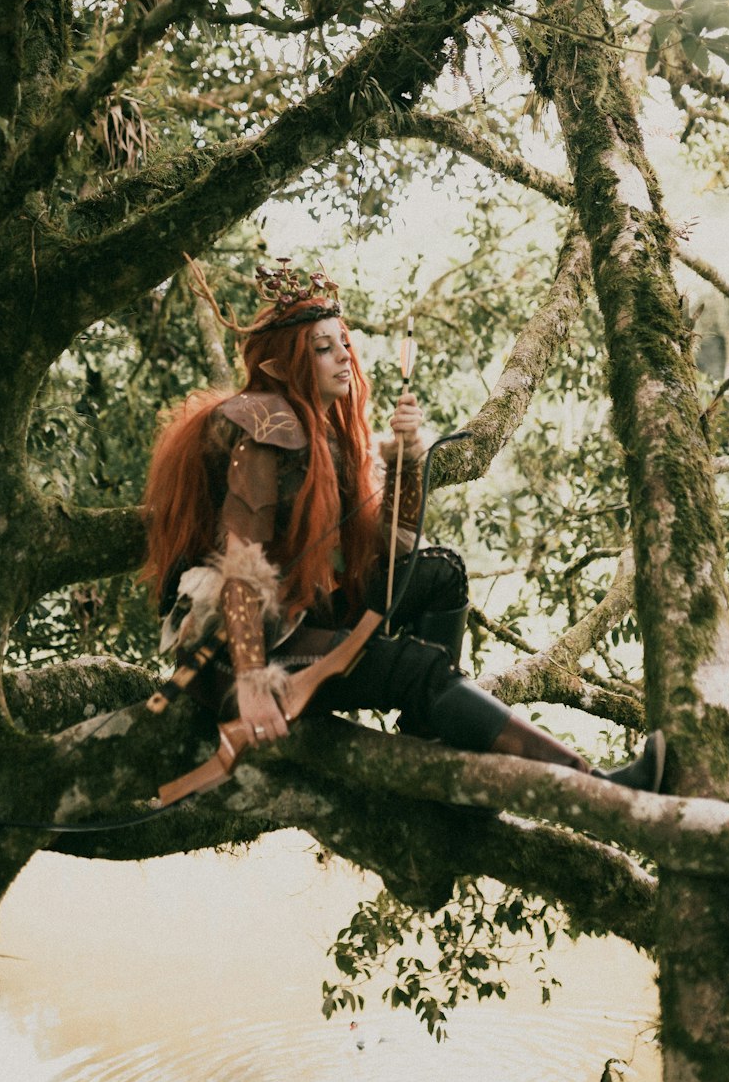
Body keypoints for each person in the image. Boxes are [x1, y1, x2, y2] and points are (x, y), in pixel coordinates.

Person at [142, 261, 664, 793]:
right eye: (322, 348)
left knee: (439, 574)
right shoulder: (267, 422)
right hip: (242, 650)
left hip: (304, 609)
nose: (343, 357)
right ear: (285, 364)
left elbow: (389, 551)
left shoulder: (330, 438)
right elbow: (243, 562)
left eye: (342, 343)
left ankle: (428, 735)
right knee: (419, 668)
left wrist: (408, 458)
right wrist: (253, 683)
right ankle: (600, 783)